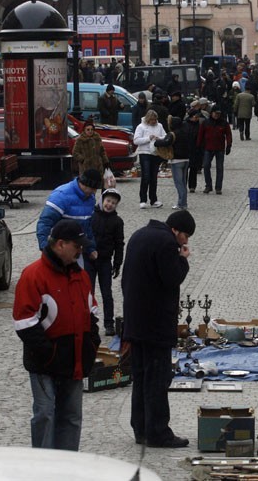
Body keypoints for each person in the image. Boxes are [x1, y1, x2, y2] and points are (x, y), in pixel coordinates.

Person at [13, 220, 101, 451]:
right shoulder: (33, 275)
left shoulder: (80, 276)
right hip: (45, 363)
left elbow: (91, 312)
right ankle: (44, 470)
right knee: (45, 415)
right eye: (77, 246)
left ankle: (67, 467)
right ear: (60, 244)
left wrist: (91, 344)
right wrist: (49, 354)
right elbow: (24, 322)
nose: (80, 250)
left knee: (72, 417)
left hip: (75, 360)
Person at [121, 210, 195, 448]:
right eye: (186, 236)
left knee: (141, 375)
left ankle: (140, 428)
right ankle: (157, 432)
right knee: (157, 377)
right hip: (155, 324)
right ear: (176, 230)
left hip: (136, 320)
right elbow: (172, 278)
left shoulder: (139, 235)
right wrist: (183, 259)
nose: (185, 242)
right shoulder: (166, 242)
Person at [36, 169, 101, 266]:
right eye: (93, 189)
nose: (94, 192)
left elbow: (87, 226)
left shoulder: (90, 198)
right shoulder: (61, 195)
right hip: (60, 251)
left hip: (77, 251)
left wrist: (91, 248)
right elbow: (45, 223)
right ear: (85, 184)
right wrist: (45, 248)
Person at [87, 189, 124, 337]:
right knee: (88, 292)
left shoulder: (117, 221)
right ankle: (88, 321)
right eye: (108, 201)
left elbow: (119, 243)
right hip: (89, 259)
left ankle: (109, 323)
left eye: (113, 203)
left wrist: (117, 263)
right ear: (102, 200)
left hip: (105, 261)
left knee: (107, 293)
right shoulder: (91, 215)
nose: (110, 205)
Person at [133, 109, 167, 209]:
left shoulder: (159, 126)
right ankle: (143, 199)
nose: (154, 122)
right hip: (145, 153)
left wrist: (159, 138)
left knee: (154, 178)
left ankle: (154, 199)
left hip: (155, 153)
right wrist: (148, 138)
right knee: (146, 176)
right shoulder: (141, 127)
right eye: (152, 120)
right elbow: (136, 140)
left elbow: (164, 136)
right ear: (148, 119)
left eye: (155, 120)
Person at [197, 104, 232, 195]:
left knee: (219, 168)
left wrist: (228, 145)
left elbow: (228, 134)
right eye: (215, 113)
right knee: (206, 166)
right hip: (208, 148)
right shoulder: (206, 123)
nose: (217, 115)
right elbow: (200, 134)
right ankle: (208, 185)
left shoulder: (224, 123)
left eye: (218, 114)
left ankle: (218, 187)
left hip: (220, 148)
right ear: (211, 113)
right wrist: (198, 146)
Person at [165, 116, 192, 210]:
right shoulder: (185, 133)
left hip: (176, 160)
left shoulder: (173, 134)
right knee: (183, 182)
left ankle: (181, 203)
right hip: (186, 159)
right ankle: (184, 202)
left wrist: (156, 141)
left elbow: (164, 143)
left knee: (179, 183)